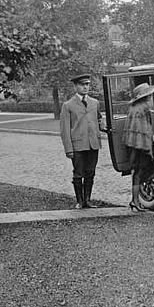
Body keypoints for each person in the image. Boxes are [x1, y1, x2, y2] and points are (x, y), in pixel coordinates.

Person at [59, 73, 104, 209]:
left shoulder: (95, 103)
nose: (86, 87)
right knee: (78, 173)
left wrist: (105, 127)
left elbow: (99, 119)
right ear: (76, 86)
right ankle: (79, 201)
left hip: (93, 144)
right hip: (78, 145)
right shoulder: (68, 105)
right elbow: (65, 129)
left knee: (90, 172)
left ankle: (87, 200)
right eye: (82, 84)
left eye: (87, 84)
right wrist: (68, 149)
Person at [122, 82, 154, 211]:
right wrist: (151, 137)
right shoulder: (143, 109)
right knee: (142, 170)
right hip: (142, 144)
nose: (150, 96)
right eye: (149, 94)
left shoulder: (133, 107)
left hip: (133, 144)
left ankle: (135, 200)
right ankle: (135, 200)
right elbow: (144, 128)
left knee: (136, 172)